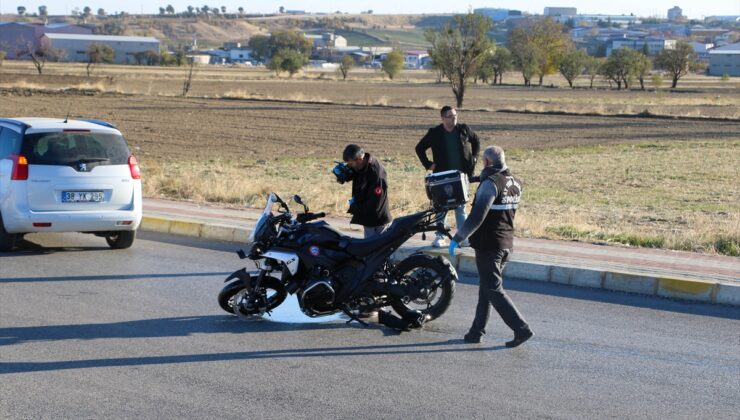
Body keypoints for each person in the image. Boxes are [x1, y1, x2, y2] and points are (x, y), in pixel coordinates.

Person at [448, 145, 534, 347]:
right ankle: (476, 332)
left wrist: (458, 237)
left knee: (494, 290)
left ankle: (522, 329)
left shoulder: (490, 185)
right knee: (486, 288)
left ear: (487, 162)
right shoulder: (515, 182)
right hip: (506, 245)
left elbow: (478, 215)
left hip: (489, 246)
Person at [415, 105, 480, 248]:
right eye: (450, 116)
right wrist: (428, 164)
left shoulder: (464, 129)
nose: (454, 118)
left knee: (460, 207)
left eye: (455, 115)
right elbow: (419, 148)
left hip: (461, 176)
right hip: (442, 177)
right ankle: (440, 236)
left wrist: (474, 158)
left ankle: (462, 238)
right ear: (443, 118)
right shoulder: (435, 133)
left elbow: (476, 141)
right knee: (441, 207)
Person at [340, 144, 391, 238]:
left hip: (377, 221)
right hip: (368, 219)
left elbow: (375, 204)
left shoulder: (376, 174)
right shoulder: (362, 164)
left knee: (378, 250)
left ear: (359, 159)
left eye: (350, 164)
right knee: (371, 249)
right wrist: (344, 175)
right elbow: (358, 173)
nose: (350, 166)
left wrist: (355, 208)